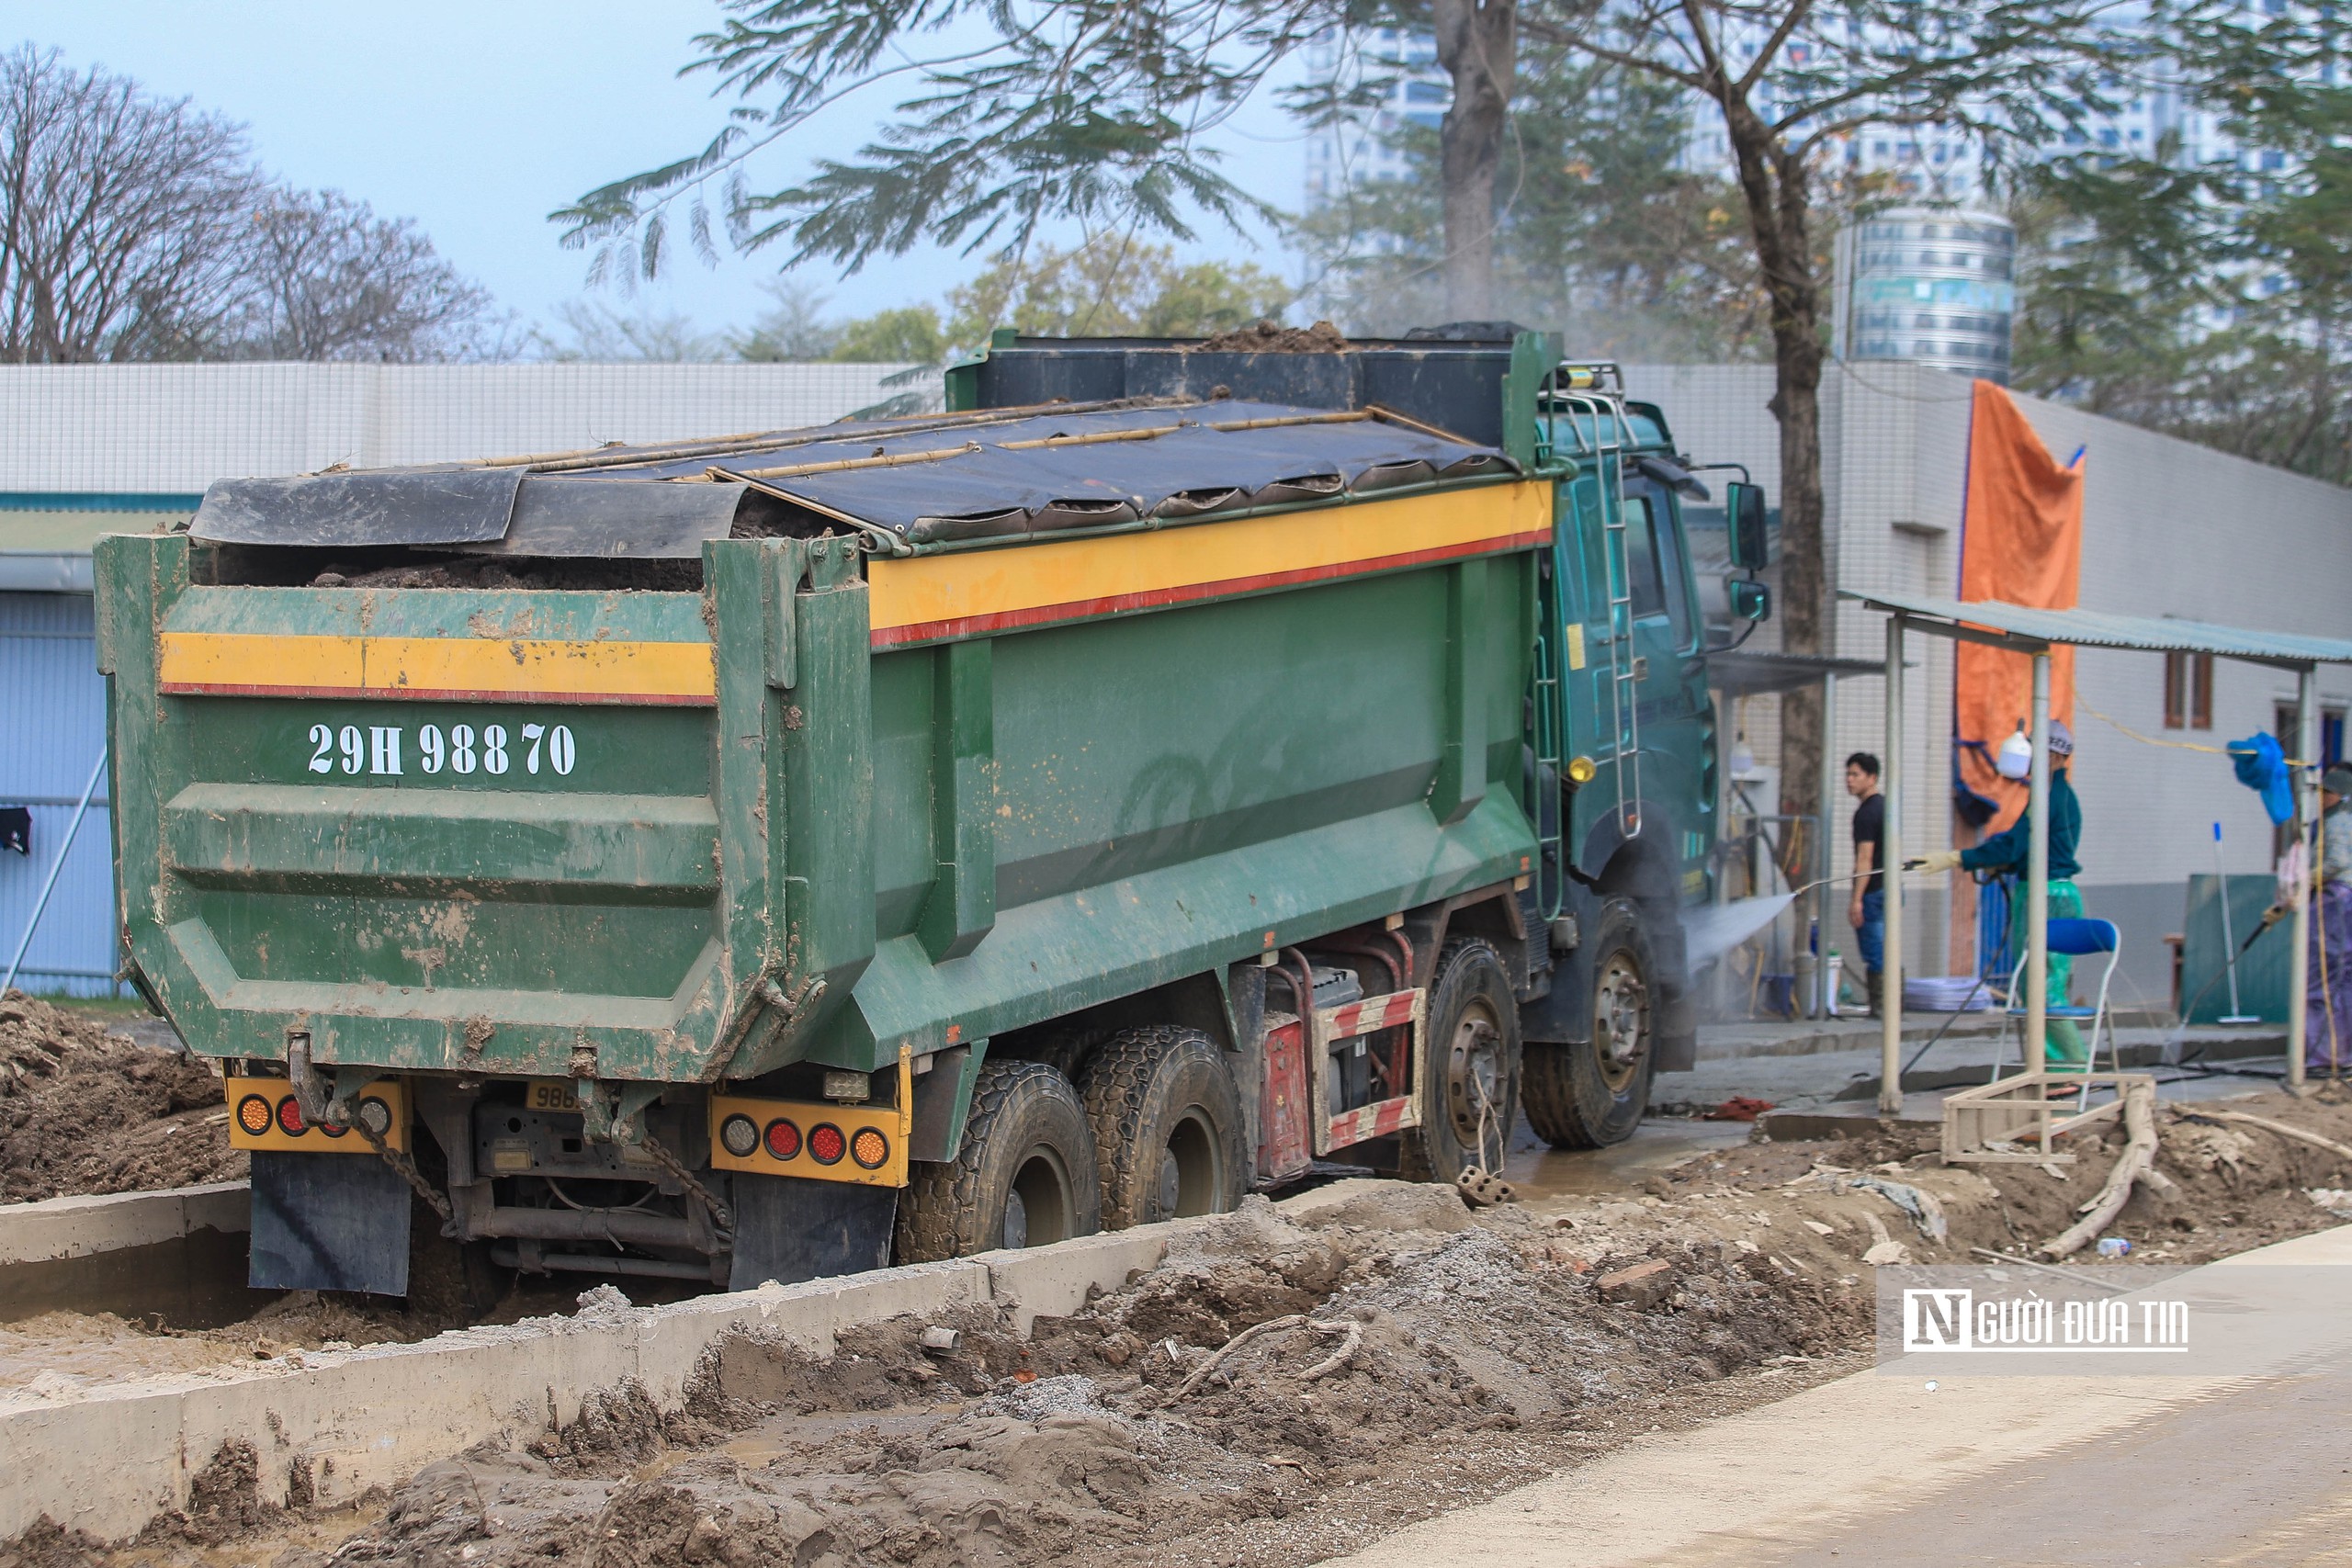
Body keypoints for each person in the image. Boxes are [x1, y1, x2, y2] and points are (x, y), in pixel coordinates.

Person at [1912, 718, 2087, 1069]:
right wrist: (2001, 863)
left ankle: (2070, 1067)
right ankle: (2049, 1066)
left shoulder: (2050, 796)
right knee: (2034, 983)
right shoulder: (2054, 795)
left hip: (2047, 897)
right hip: (2045, 891)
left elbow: (2015, 844)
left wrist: (1958, 857)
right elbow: (2028, 848)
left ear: (2054, 755)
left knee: (2043, 987)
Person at [2309, 763, 2352, 1073]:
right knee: (2344, 979)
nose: (2321, 798)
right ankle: (2341, 1053)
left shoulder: (2337, 824)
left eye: (2327, 792)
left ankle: (2325, 1055)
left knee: (2323, 977)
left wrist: (2307, 879)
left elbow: (2336, 861)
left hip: (2335, 899)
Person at [1845, 752, 1887, 1017]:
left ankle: (1881, 1009)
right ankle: (1893, 1007)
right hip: (1890, 889)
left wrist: (1857, 899)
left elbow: (1865, 859)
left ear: (1872, 778)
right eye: (1848, 774)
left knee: (1875, 953)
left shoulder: (1866, 814)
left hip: (1872, 892)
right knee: (1886, 948)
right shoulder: (1885, 807)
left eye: (1855, 775)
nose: (1849, 780)